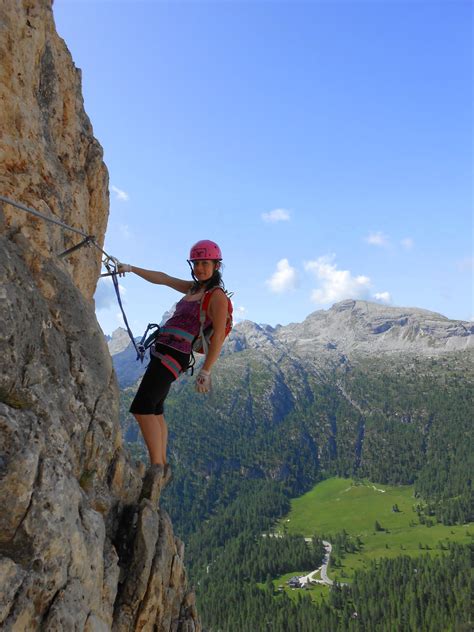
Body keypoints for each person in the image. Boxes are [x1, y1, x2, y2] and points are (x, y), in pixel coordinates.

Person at [117, 239, 229, 469]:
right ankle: (162, 464)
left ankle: (157, 466)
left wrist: (206, 370)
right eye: (196, 263)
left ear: (216, 265)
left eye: (205, 263)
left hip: (175, 353)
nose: (199, 268)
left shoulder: (217, 296)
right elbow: (164, 279)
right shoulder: (194, 288)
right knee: (155, 408)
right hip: (165, 350)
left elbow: (217, 336)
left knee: (142, 407)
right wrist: (131, 268)